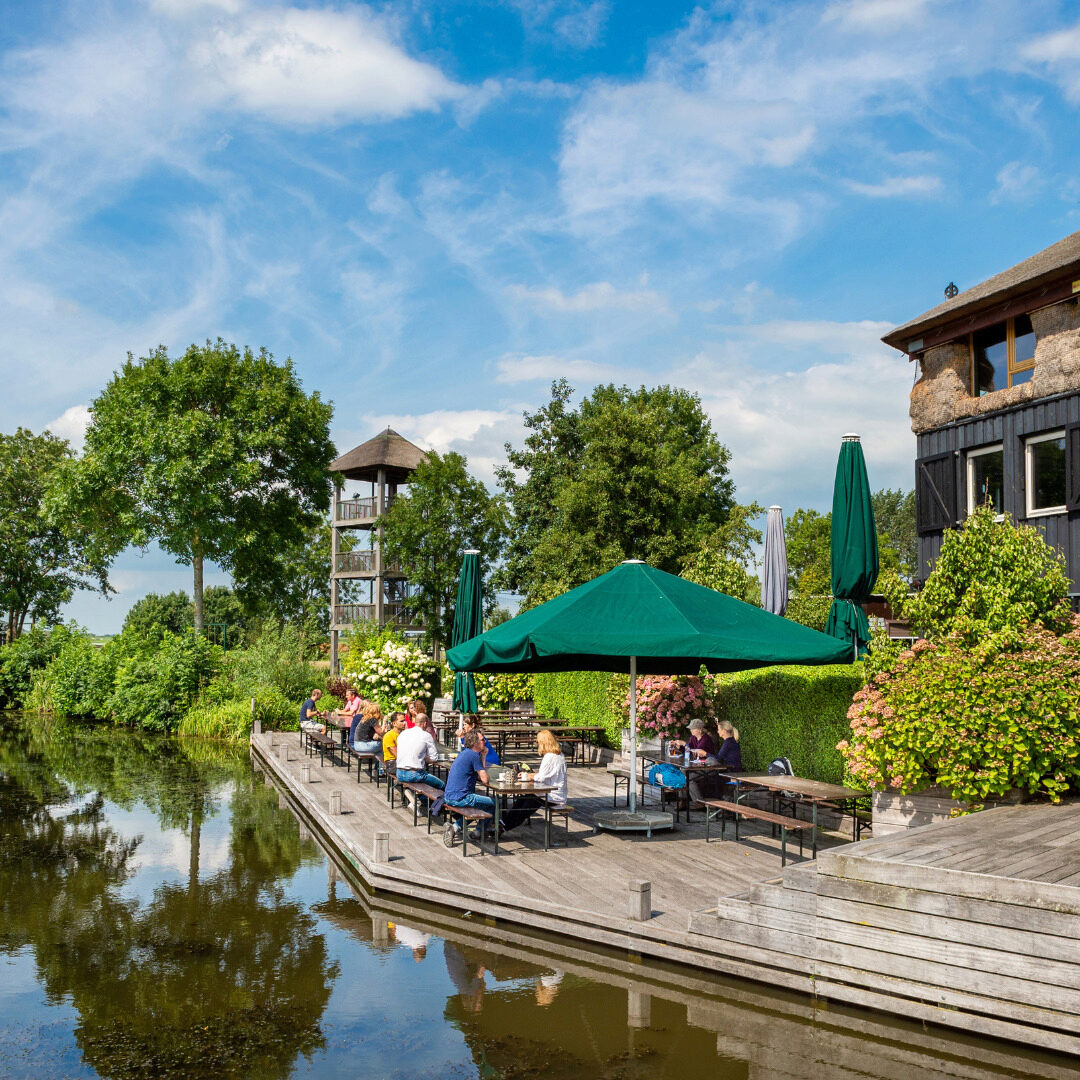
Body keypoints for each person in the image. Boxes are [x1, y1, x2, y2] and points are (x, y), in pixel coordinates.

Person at [500, 729, 567, 833]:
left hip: (552, 795)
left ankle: (504, 826)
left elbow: (541, 778)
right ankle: (503, 824)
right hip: (557, 793)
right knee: (524, 798)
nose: (537, 744)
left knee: (525, 807)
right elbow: (547, 775)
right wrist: (530, 775)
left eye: (538, 742)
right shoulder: (559, 755)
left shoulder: (549, 757)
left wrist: (528, 776)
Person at [443, 730, 495, 843]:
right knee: (493, 803)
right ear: (475, 743)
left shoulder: (467, 753)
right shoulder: (473, 755)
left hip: (449, 796)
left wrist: (484, 755)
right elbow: (485, 779)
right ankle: (478, 832)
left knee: (480, 805)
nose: (485, 742)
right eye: (482, 740)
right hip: (461, 797)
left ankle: (455, 827)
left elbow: (479, 773)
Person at [395, 714, 445, 808]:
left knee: (423, 783)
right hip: (414, 774)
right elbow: (434, 758)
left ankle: (419, 801)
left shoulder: (403, 733)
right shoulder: (426, 735)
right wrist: (424, 758)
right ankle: (438, 808)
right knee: (441, 785)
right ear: (425, 723)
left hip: (399, 773)